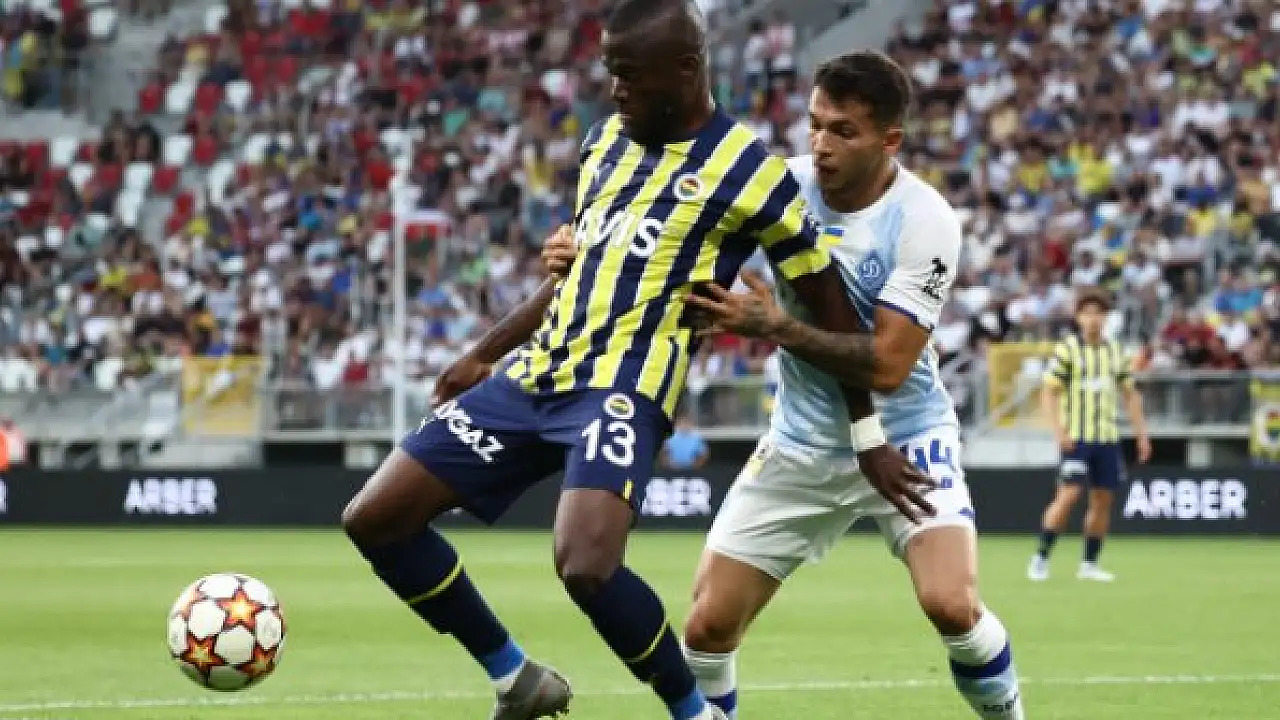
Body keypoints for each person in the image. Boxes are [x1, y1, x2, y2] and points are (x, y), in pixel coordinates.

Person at [340, 3, 929, 720]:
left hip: (623, 389)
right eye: (610, 71)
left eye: (629, 74)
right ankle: (516, 680)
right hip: (535, 376)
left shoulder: (752, 174)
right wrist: (483, 353)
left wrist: (867, 435)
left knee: (586, 566)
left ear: (685, 69)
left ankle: (694, 713)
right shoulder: (604, 143)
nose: (615, 88)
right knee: (375, 518)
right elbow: (581, 271)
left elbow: (830, 307)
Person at [544, 49, 1027, 720]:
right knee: (706, 629)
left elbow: (888, 365)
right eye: (816, 124)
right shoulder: (779, 188)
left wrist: (775, 326)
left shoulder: (924, 220)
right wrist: (587, 253)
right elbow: (673, 256)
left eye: (844, 131)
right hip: (800, 443)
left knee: (952, 605)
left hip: (906, 437)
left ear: (889, 140)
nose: (822, 144)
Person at [1028, 289, 1151, 583]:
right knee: (1069, 495)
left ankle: (1089, 564)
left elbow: (1130, 395)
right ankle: (1041, 557)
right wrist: (1058, 430)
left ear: (1106, 317)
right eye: (1088, 313)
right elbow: (1049, 392)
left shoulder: (1116, 351)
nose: (1093, 319)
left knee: (1102, 500)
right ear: (1078, 317)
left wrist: (1141, 435)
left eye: (1099, 313)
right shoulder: (1068, 350)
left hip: (1107, 437)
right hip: (1076, 437)